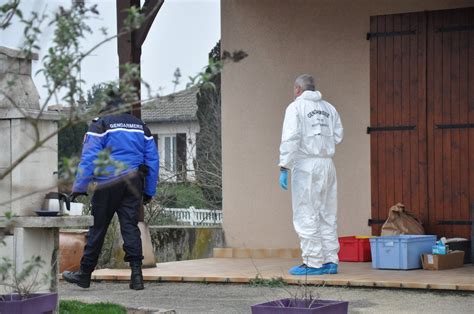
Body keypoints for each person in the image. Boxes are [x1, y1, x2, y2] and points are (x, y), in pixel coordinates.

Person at [63, 96, 159, 290]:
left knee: (97, 228)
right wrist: (149, 191)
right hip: (133, 183)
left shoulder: (101, 124)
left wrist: (79, 187)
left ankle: (84, 275)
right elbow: (152, 161)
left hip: (108, 183)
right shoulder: (142, 127)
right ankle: (137, 276)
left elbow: (89, 157)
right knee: (130, 227)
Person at [279, 74, 343, 275]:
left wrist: (284, 166)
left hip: (306, 164)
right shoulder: (328, 108)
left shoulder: (295, 107)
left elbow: (290, 138)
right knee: (327, 213)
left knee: (306, 212)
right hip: (327, 164)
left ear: (298, 88)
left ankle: (312, 262)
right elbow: (339, 136)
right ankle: (330, 260)